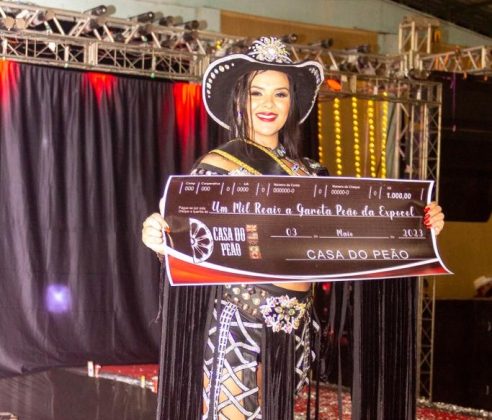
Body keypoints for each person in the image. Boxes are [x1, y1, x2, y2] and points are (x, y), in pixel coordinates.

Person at [141, 36, 445, 420]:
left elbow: (355, 238)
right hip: (237, 321)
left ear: (291, 102)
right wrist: (159, 238)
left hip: (297, 325)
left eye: (280, 94)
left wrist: (418, 226)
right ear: (239, 100)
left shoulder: (312, 174)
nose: (268, 104)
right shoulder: (218, 167)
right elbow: (188, 242)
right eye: (256, 92)